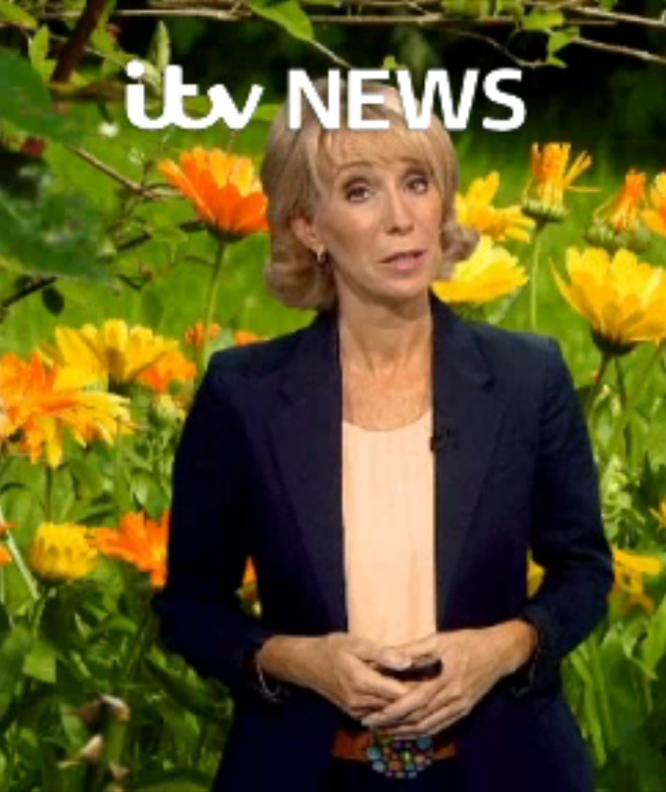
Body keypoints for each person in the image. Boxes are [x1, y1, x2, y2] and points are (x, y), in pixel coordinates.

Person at [151, 78, 614, 791]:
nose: (401, 218)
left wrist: (500, 650)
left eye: (417, 183)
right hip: (310, 773)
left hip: (503, 770)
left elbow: (583, 572)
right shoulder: (243, 396)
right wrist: (300, 661)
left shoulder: (528, 379)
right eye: (360, 191)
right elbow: (191, 608)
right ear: (309, 227)